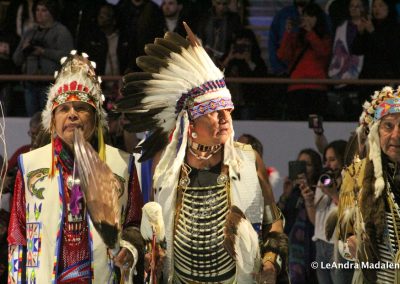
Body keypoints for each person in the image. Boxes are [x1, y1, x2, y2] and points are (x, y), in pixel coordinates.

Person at [116, 23, 288, 283]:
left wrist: (269, 264)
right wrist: (148, 255)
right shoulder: (165, 169)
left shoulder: (248, 160)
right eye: (214, 112)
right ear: (190, 124)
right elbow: (149, 230)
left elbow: (272, 223)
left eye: (228, 110)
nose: (225, 118)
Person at [7, 51, 144, 283]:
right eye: (64, 109)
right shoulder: (30, 165)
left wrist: (130, 249)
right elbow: (18, 234)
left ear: (95, 118)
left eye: (81, 108)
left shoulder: (121, 164)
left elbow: (135, 224)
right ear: (52, 120)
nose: (72, 115)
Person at [336, 86, 400, 283]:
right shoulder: (356, 175)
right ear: (375, 131)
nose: (396, 136)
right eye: (388, 126)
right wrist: (350, 246)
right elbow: (343, 239)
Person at [301, 140, 354, 283]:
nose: (328, 164)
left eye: (332, 159)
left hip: (339, 247)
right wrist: (308, 201)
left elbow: (352, 218)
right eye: (326, 160)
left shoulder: (352, 180)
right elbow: (315, 221)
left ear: (344, 159)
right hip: (320, 244)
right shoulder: (324, 180)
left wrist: (333, 194)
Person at [12, 0, 73, 116]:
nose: (39, 13)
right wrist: (24, 49)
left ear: (52, 12)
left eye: (44, 10)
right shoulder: (30, 32)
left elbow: (68, 58)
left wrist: (44, 52)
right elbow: (16, 59)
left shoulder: (61, 32)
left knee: (49, 123)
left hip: (51, 86)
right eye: (37, 10)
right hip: (30, 85)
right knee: (31, 122)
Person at [277, 2, 332, 120]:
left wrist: (310, 33)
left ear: (318, 19)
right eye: (304, 16)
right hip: (296, 87)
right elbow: (283, 55)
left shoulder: (325, 37)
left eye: (311, 16)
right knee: (296, 125)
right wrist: (288, 33)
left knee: (316, 125)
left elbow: (323, 53)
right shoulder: (297, 37)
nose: (307, 19)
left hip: (317, 87)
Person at [278, 148, 321, 284]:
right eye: (299, 163)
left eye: (307, 164)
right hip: (290, 252)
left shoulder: (320, 191)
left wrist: (307, 189)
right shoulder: (293, 192)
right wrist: (285, 195)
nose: (303, 168)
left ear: (315, 168)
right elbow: (278, 219)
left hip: (312, 251)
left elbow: (318, 221)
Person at [351, 0, 400, 104]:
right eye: (374, 6)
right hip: (367, 78)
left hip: (387, 78)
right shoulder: (370, 24)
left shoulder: (395, 27)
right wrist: (360, 33)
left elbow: (390, 51)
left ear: (388, 8)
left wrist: (372, 32)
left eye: (381, 6)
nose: (377, 9)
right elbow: (356, 50)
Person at [222, 28, 268, 120]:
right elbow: (215, 74)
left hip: (248, 102)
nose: (242, 44)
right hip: (227, 102)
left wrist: (249, 61)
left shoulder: (256, 60)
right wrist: (229, 58)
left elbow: (261, 76)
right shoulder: (228, 58)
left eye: (246, 41)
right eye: (240, 41)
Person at [268, 0, 313, 75]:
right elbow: (272, 43)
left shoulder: (321, 16)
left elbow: (326, 47)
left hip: (313, 74)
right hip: (285, 71)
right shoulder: (283, 14)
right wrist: (278, 69)